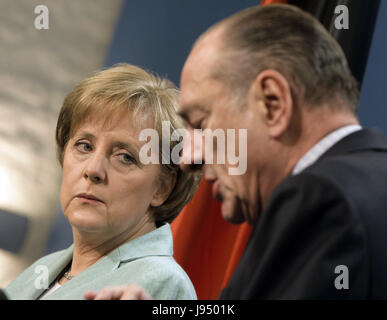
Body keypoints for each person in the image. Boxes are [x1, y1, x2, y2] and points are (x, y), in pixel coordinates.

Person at [89, 4, 387, 299]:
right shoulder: (370, 183)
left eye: (201, 123)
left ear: (272, 103)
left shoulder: (322, 199)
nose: (188, 158)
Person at [5, 63, 200, 300]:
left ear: (162, 187)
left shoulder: (163, 283)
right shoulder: (44, 267)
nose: (93, 170)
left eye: (125, 157)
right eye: (84, 146)